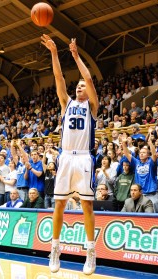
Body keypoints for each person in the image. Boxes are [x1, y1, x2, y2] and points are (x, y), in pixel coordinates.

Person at [41, 34, 98, 275]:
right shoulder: (66, 103)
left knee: (86, 205)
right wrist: (55, 53)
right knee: (60, 204)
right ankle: (55, 249)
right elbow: (58, 77)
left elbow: (88, 77)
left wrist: (75, 56)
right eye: (78, 86)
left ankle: (91, 252)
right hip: (65, 157)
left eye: (83, 86)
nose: (80, 86)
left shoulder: (91, 106)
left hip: (84, 157)